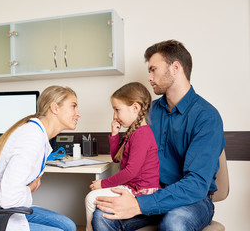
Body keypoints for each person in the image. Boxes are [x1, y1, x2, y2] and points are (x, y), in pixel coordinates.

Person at [92, 40, 225, 231]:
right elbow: (127, 161)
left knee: (174, 221)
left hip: (191, 200)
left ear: (175, 68)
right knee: (103, 216)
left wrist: (139, 205)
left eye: (153, 70)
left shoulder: (206, 117)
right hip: (149, 191)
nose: (149, 77)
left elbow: (196, 184)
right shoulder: (148, 113)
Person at [0, 85, 80, 231]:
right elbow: (8, 198)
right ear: (55, 108)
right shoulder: (31, 138)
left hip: (0, 210)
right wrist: (29, 189)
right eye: (73, 106)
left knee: (68, 226)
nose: (78, 114)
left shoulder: (38, 135)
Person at [85, 82, 160, 231]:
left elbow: (130, 172)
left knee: (91, 198)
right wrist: (114, 135)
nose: (115, 116)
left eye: (117, 110)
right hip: (132, 186)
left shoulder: (142, 134)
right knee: (93, 197)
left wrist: (103, 183)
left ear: (135, 108)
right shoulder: (133, 132)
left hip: (141, 191)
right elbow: (116, 159)